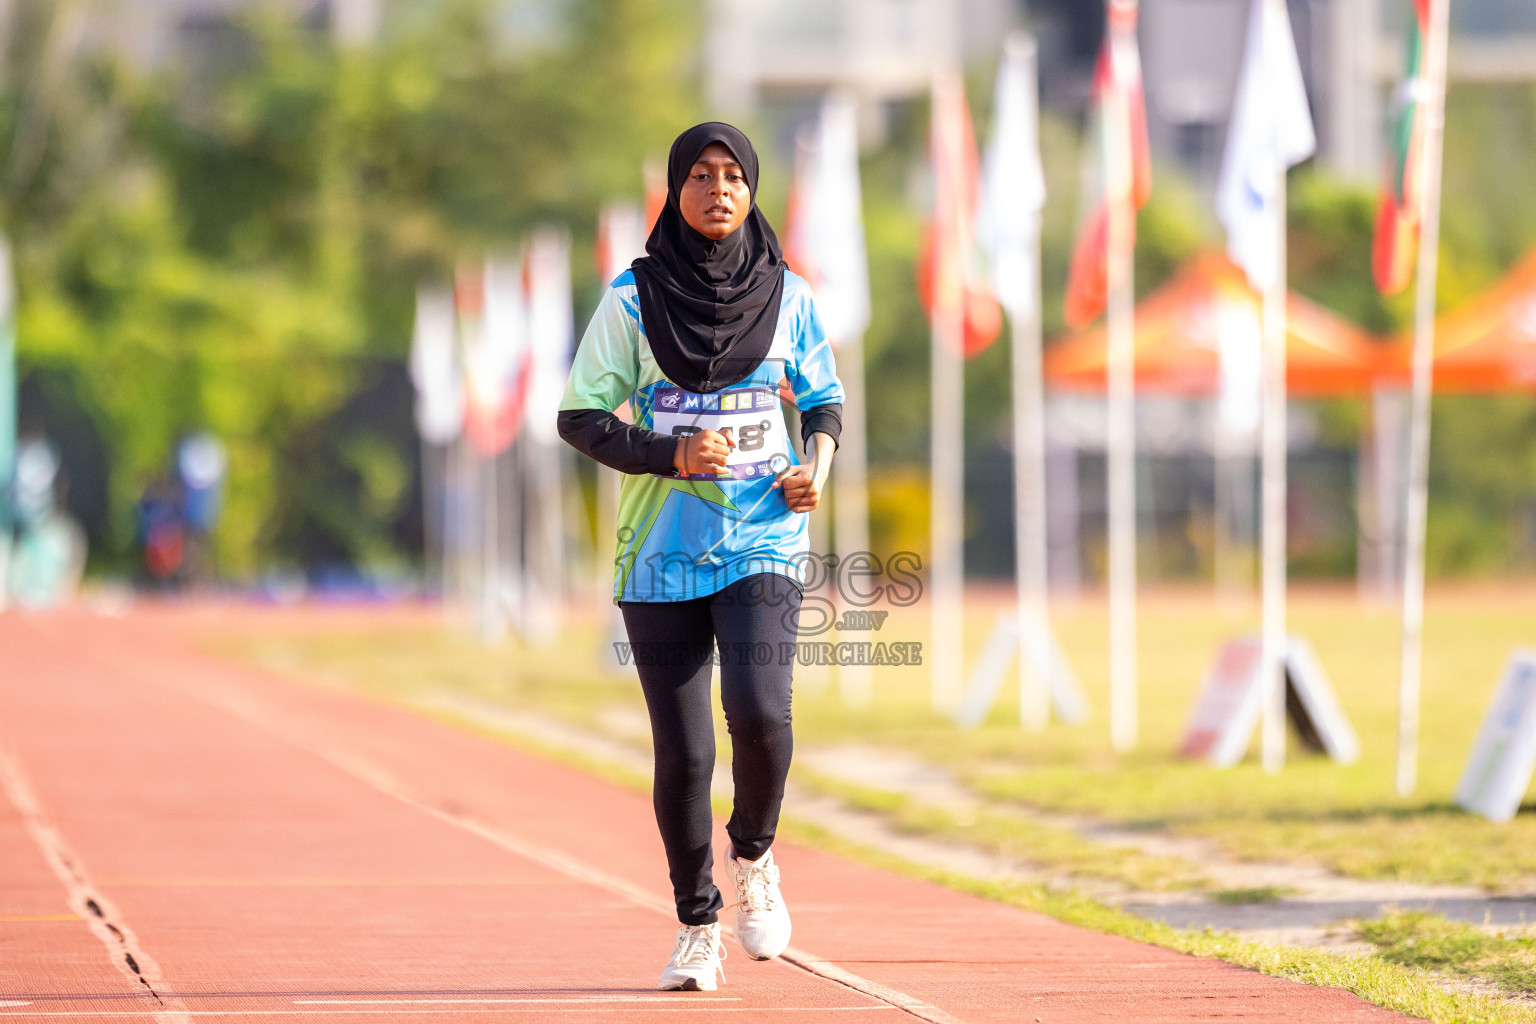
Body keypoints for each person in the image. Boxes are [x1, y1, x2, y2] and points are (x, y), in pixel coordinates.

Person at [558, 122, 843, 992]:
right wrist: (670, 454)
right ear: (675, 190)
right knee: (682, 755)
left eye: (734, 177)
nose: (719, 190)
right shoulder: (631, 301)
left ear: (753, 192)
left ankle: (753, 853)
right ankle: (696, 922)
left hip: (763, 540)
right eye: (701, 176)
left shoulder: (791, 296)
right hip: (661, 553)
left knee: (761, 715)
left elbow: (825, 402)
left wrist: (814, 470)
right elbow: (581, 417)